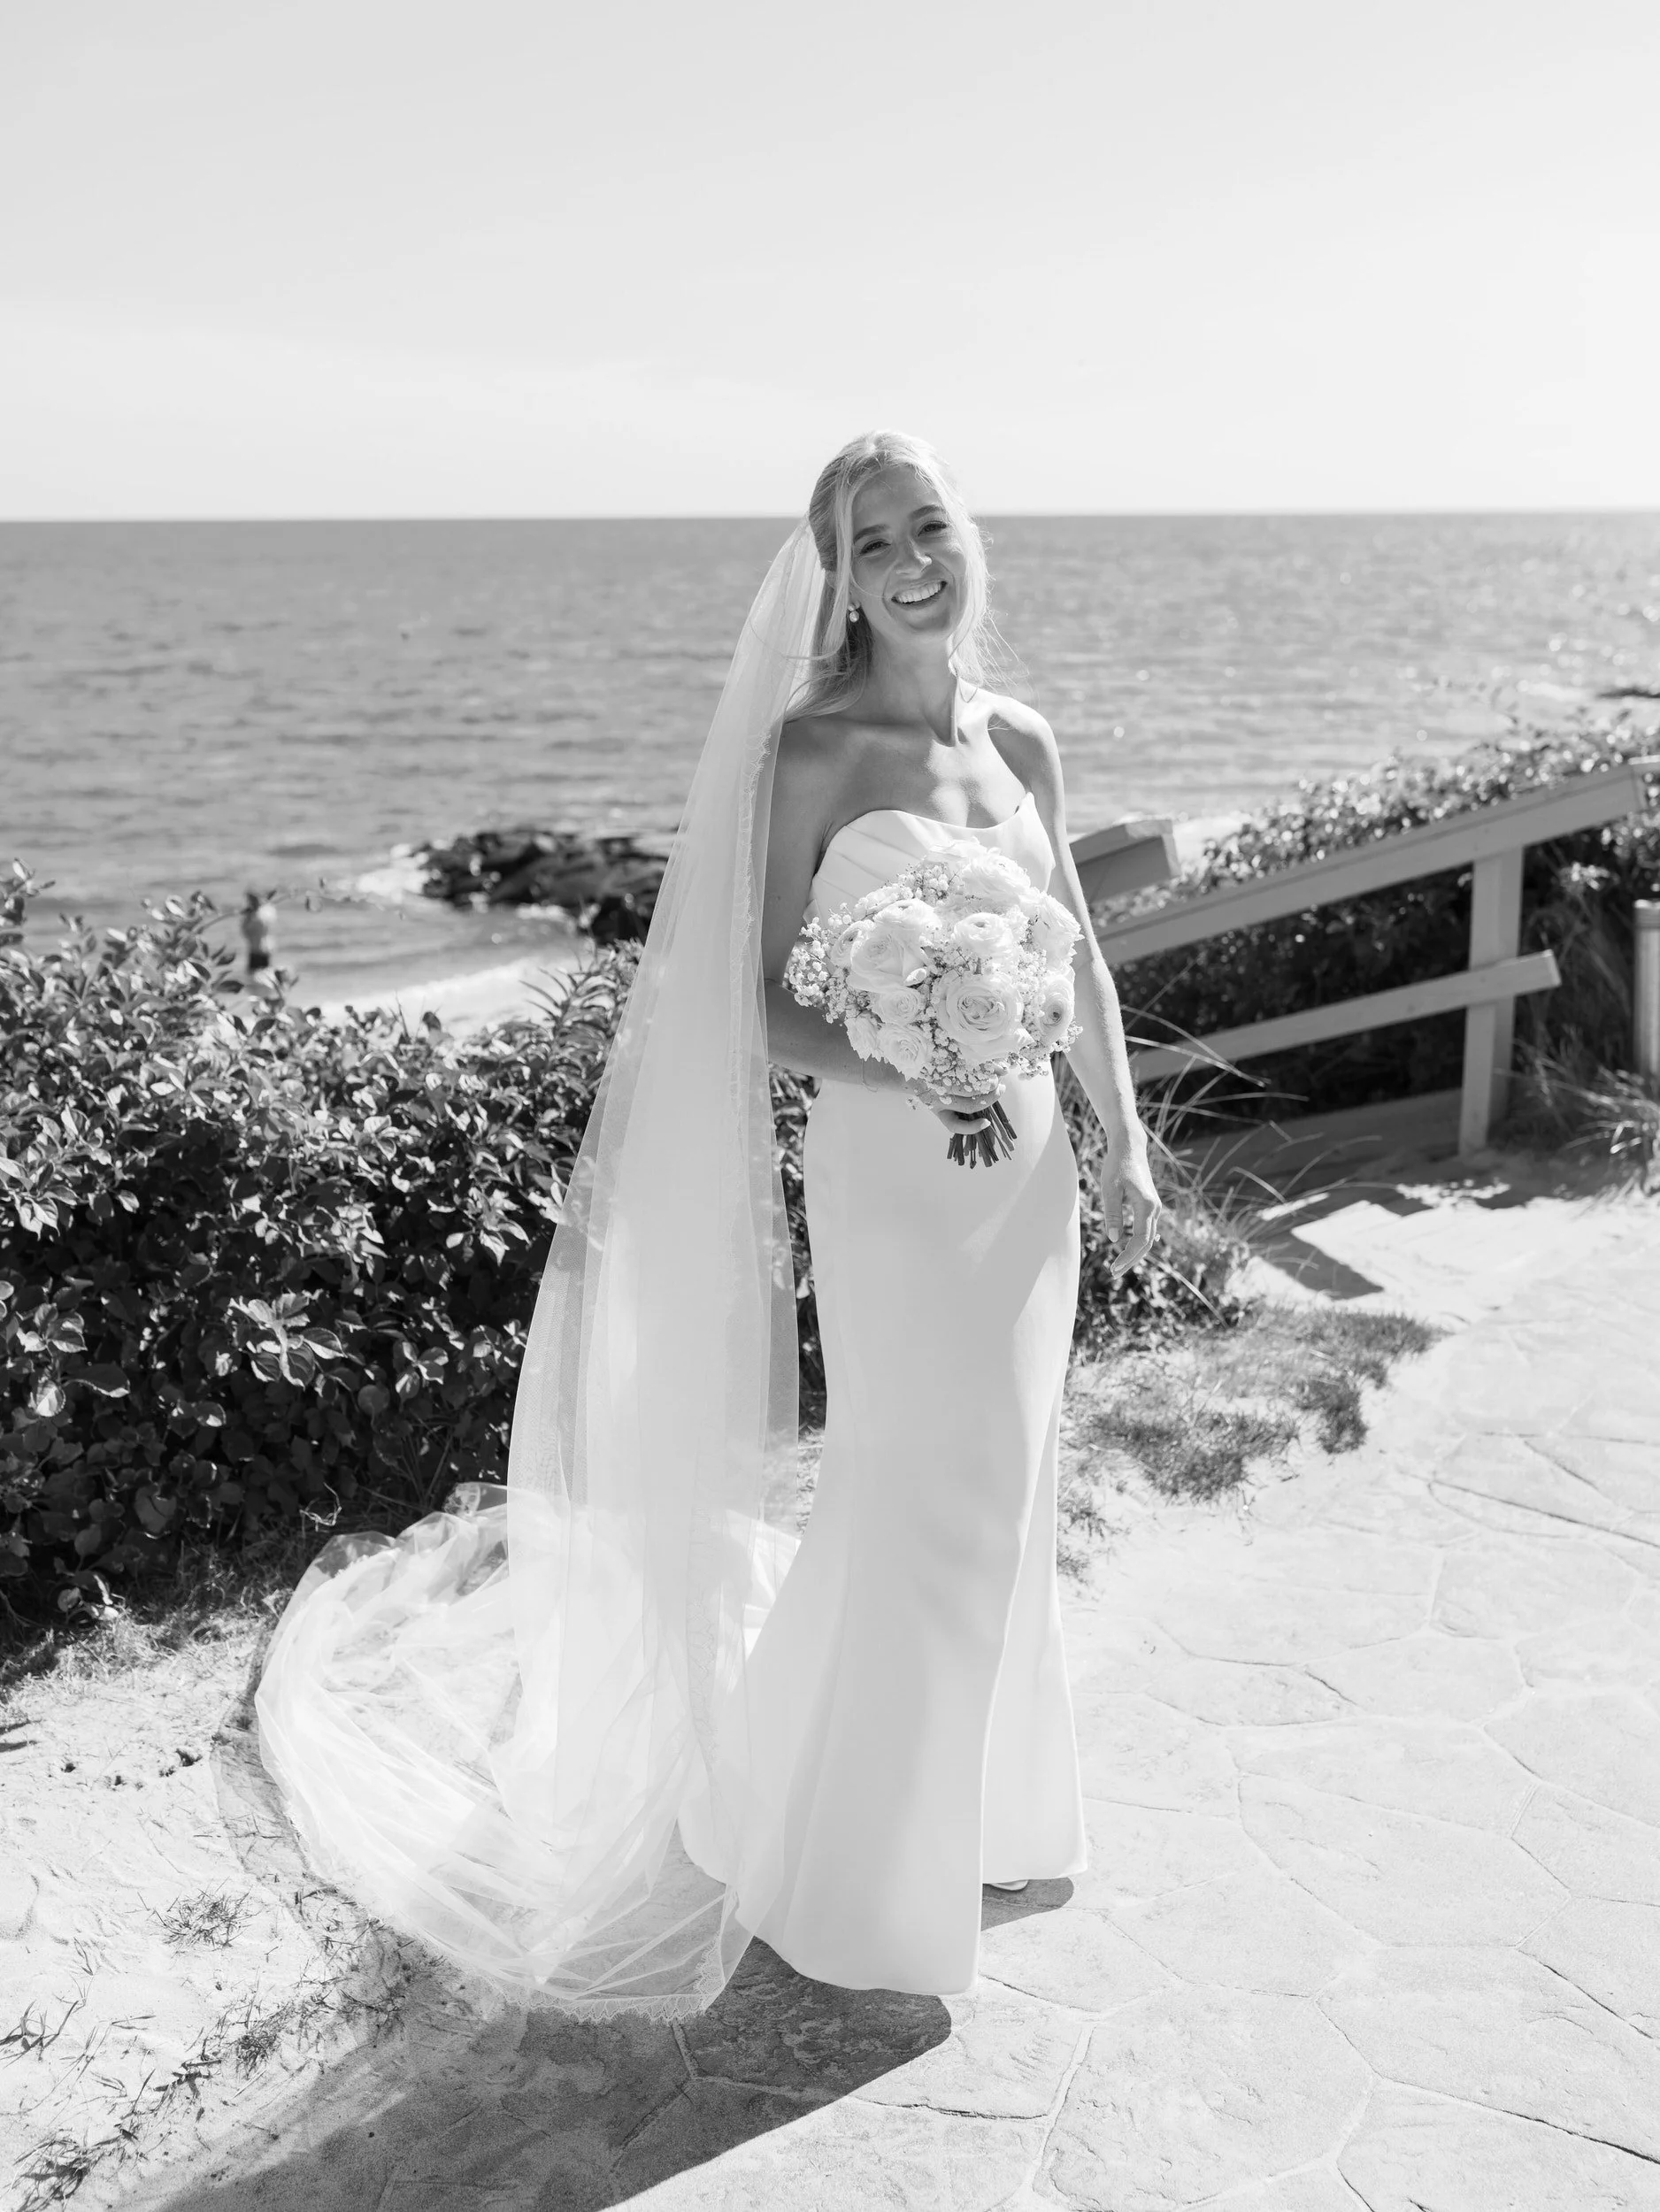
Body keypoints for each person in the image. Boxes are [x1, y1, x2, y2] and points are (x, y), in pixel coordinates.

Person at [253, 431, 1160, 2017]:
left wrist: (1128, 1148)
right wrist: (909, 1044)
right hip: (888, 1183)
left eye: (928, 526)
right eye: (874, 544)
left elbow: (1075, 959)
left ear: (970, 538)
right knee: (915, 1493)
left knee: (1005, 1498)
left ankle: (989, 1808)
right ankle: (858, 1873)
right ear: (840, 581)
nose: (912, 562)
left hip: (1027, 1186)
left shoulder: (1026, 737)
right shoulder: (808, 751)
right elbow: (746, 1011)